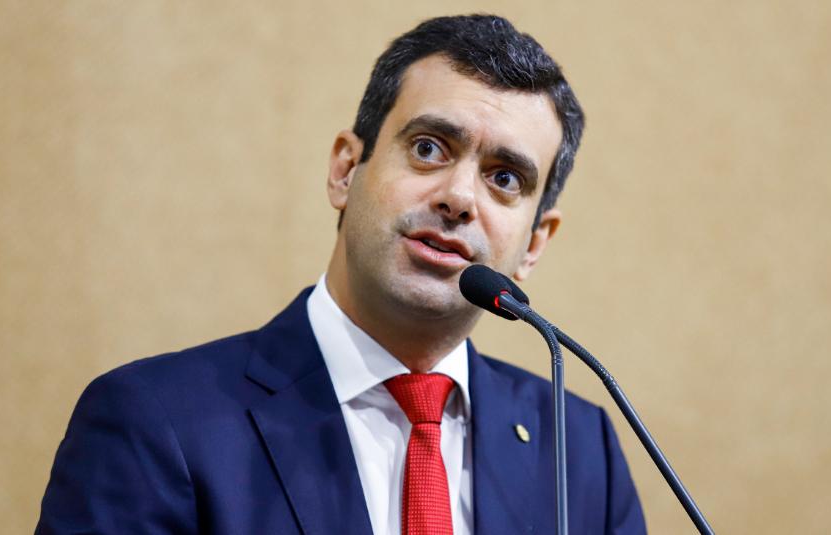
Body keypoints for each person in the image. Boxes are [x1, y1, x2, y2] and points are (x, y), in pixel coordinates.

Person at [36, 14, 646, 535]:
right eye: (429, 148)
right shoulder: (154, 422)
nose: (460, 197)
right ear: (346, 170)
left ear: (534, 243)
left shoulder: (580, 447)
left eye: (504, 178)